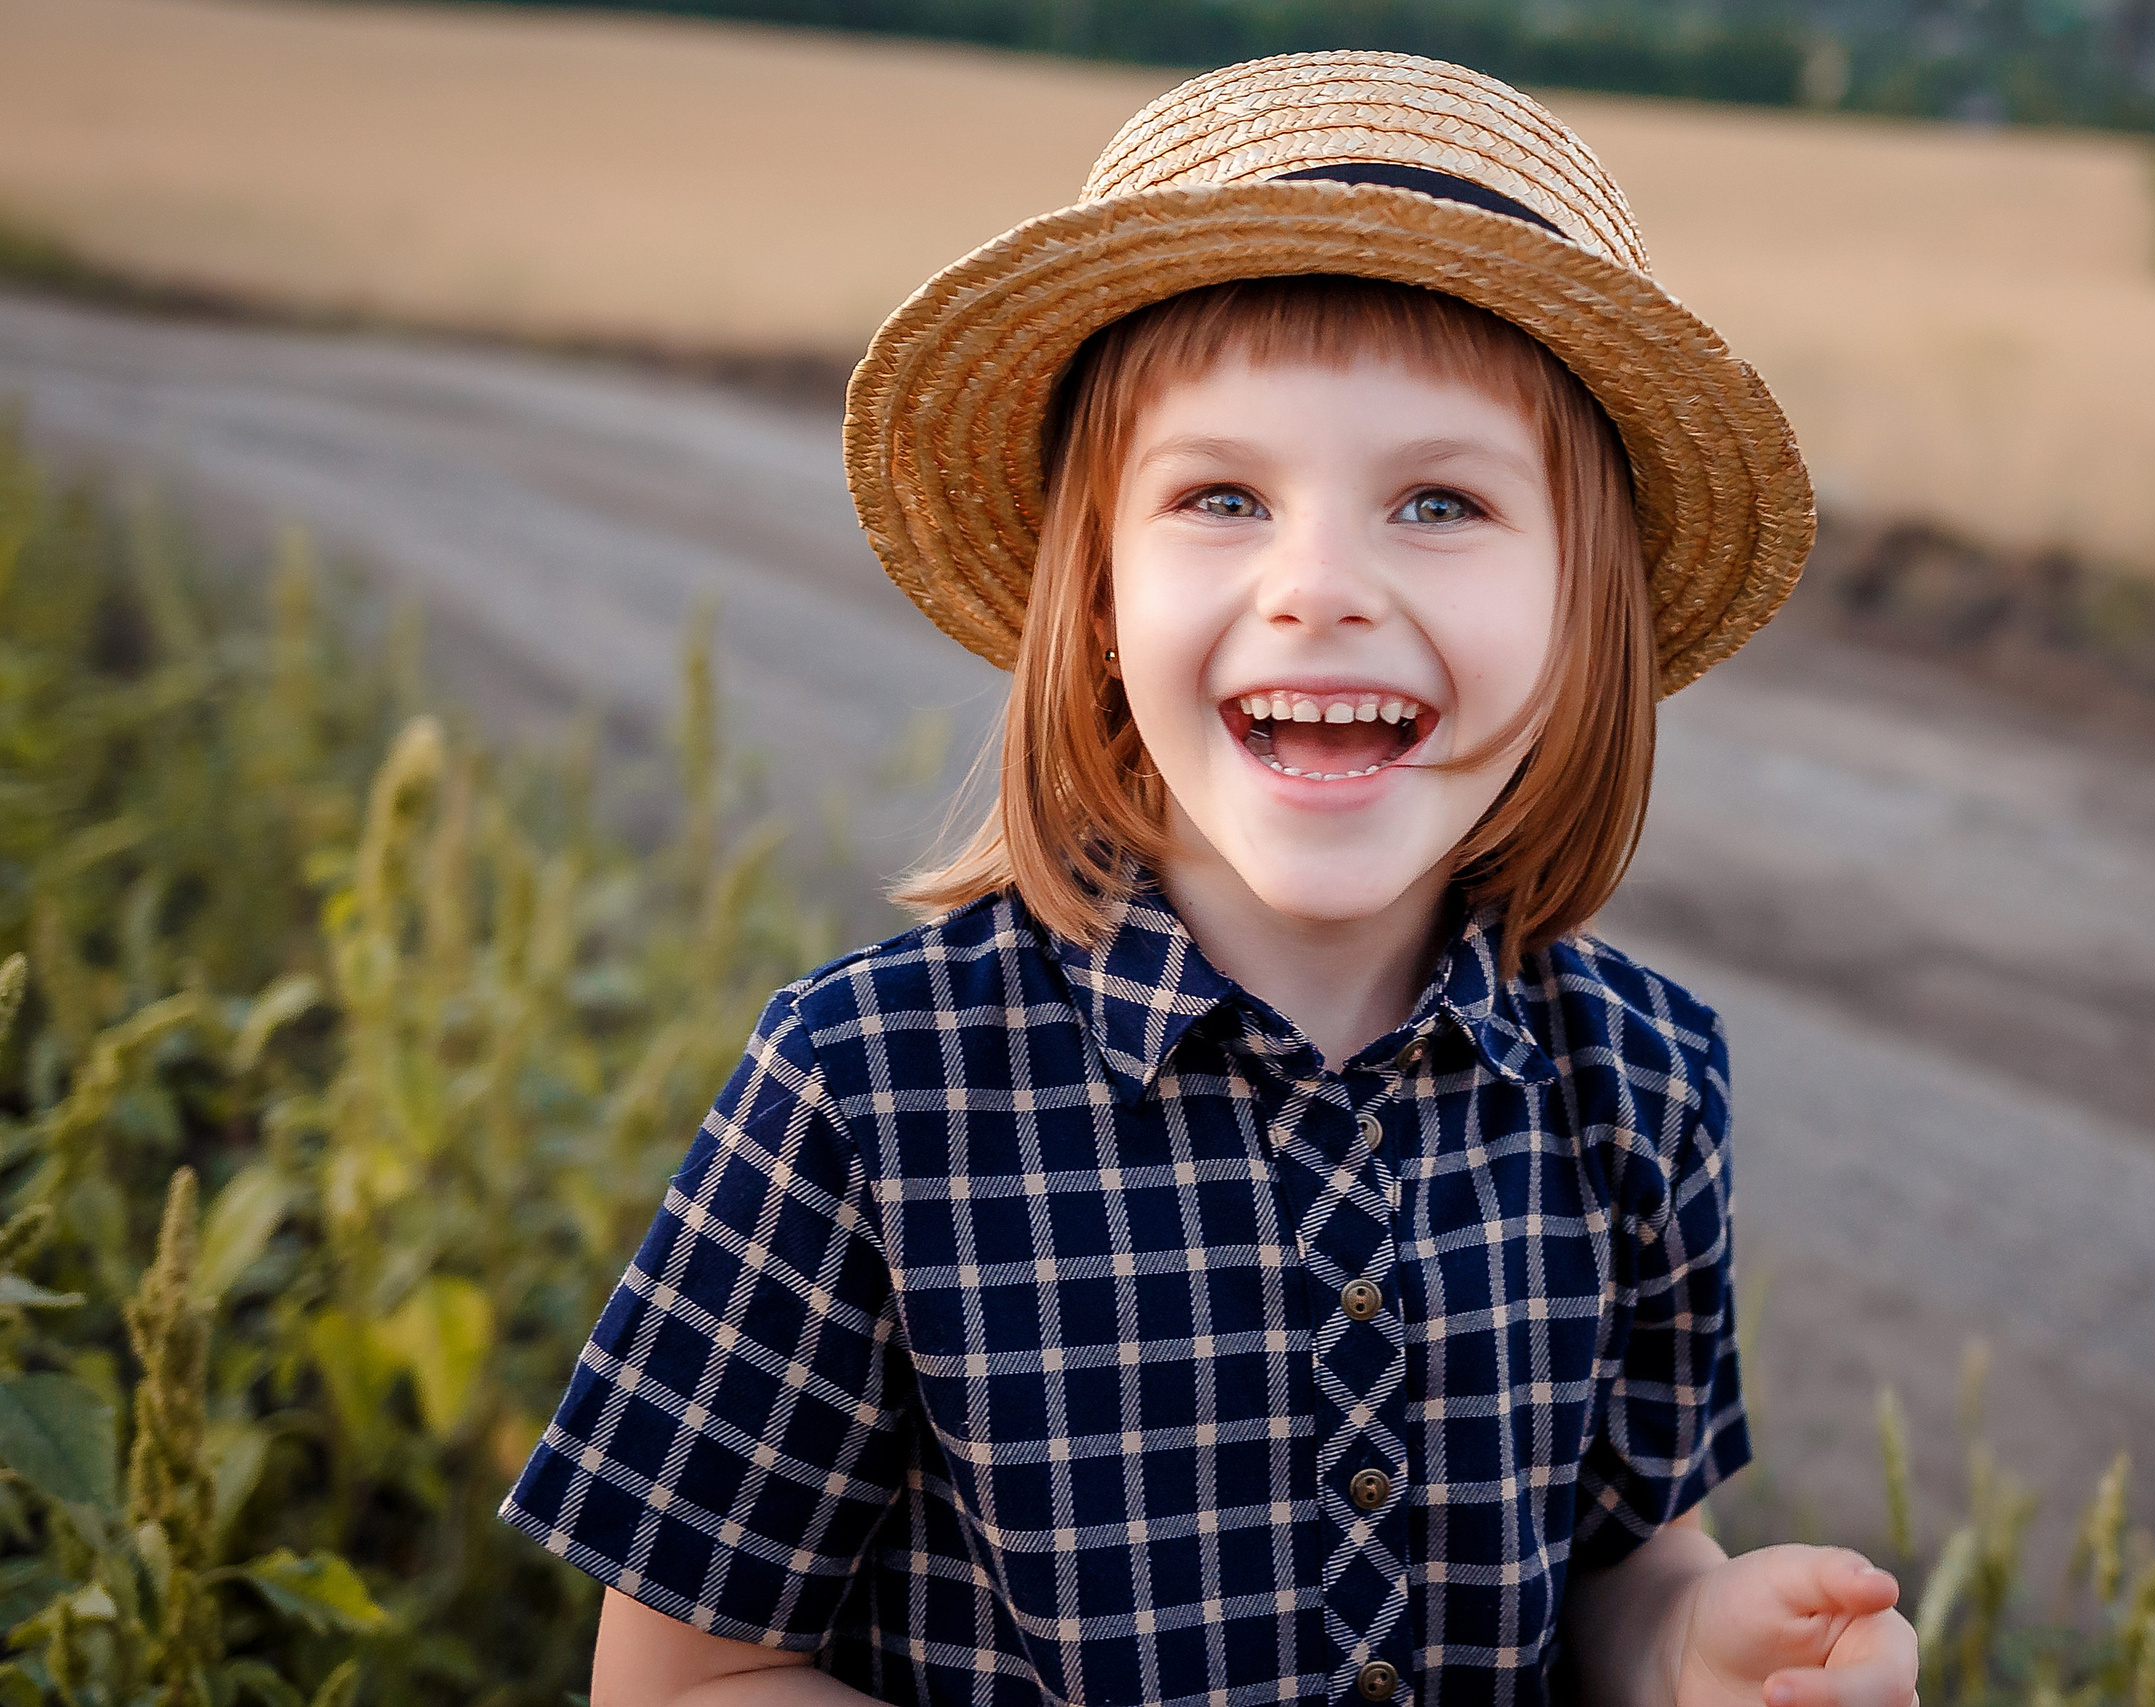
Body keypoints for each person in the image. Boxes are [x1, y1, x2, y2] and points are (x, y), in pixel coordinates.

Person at [502, 50, 1919, 1707]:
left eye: (1441, 502)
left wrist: (1697, 1655)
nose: (1320, 586)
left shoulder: (1643, 1082)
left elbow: (1628, 1556)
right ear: (1094, 591)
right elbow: (685, 1682)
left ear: (1581, 607)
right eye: (1224, 497)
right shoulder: (867, 1090)